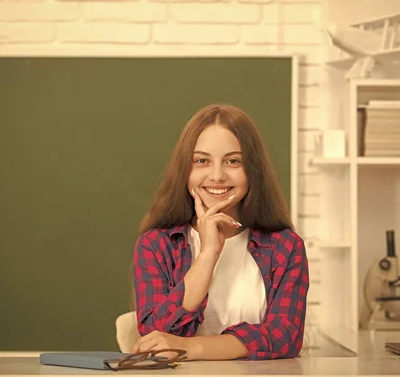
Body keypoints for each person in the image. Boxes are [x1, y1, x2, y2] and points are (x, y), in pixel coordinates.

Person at [131, 104, 309, 361]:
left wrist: (193, 348)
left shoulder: (285, 246)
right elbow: (155, 337)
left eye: (233, 161)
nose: (217, 175)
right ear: (185, 170)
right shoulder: (156, 244)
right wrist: (208, 254)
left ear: (253, 171)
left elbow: (285, 335)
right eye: (201, 161)